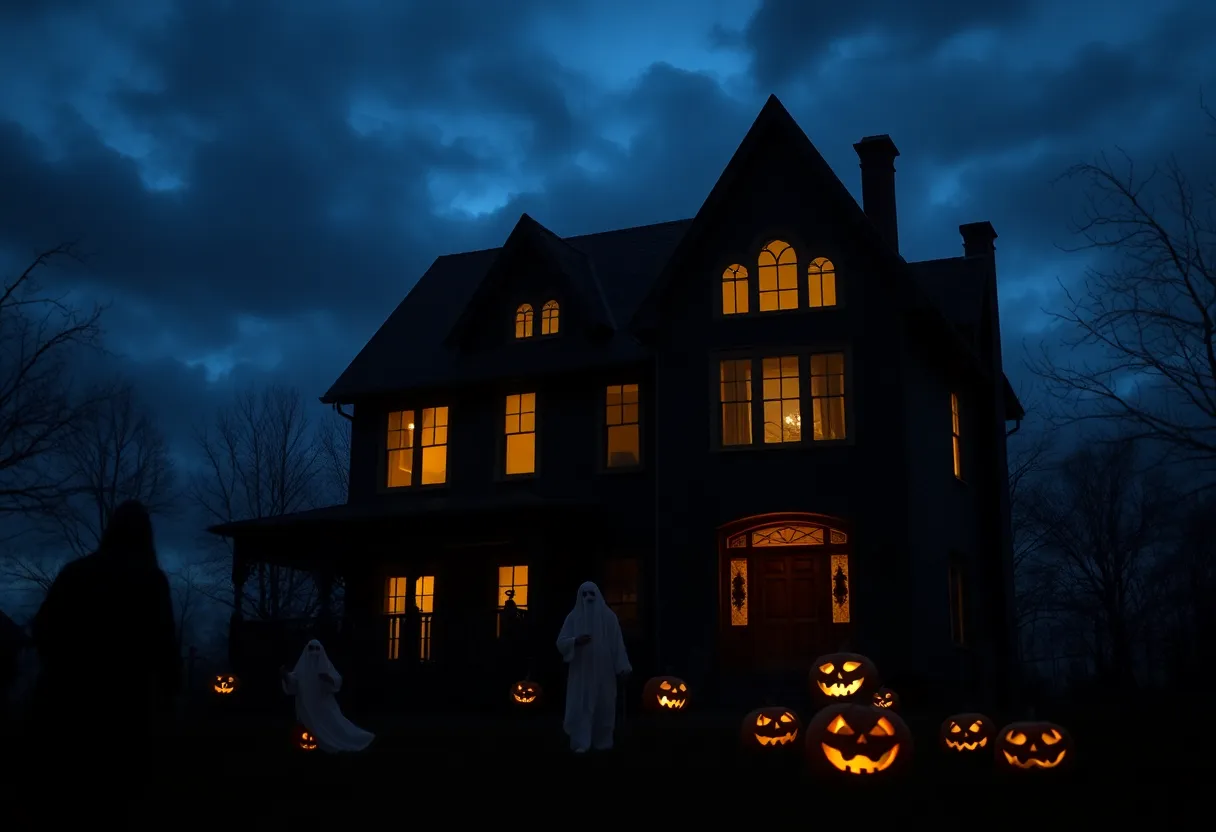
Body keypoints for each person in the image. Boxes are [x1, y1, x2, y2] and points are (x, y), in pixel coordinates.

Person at [29, 500, 179, 750]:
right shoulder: (150, 580)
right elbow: (165, 649)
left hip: (63, 705)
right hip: (123, 713)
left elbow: (42, 629)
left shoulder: (74, 573)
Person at [556, 581, 631, 753]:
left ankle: (603, 741)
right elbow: (561, 642)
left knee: (604, 704)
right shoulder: (574, 618)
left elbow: (617, 644)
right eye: (585, 594)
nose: (589, 598)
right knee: (582, 704)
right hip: (582, 672)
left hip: (604, 671)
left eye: (592, 594)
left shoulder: (609, 618)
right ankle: (581, 741)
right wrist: (575, 641)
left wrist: (622, 667)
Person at [280, 639, 374, 753]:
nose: (314, 652)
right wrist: (285, 675)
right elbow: (293, 682)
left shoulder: (326, 667)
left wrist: (328, 679)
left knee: (337, 726)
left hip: (324, 706)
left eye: (317, 649)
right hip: (307, 706)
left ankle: (359, 738)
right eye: (311, 649)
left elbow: (336, 680)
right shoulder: (301, 670)